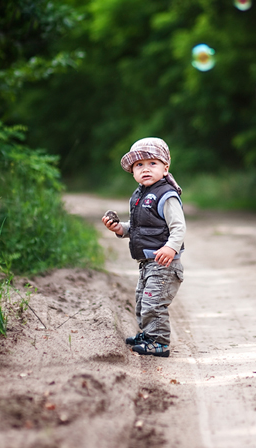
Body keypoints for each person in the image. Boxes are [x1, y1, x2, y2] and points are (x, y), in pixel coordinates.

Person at [102, 137, 185, 358]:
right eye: (139, 165)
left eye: (152, 163)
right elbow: (139, 227)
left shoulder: (166, 195)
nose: (145, 169)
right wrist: (120, 228)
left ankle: (159, 343)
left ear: (165, 167)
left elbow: (178, 227)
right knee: (142, 301)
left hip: (164, 263)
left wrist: (171, 248)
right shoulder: (139, 195)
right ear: (132, 171)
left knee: (153, 304)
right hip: (147, 264)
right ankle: (148, 335)